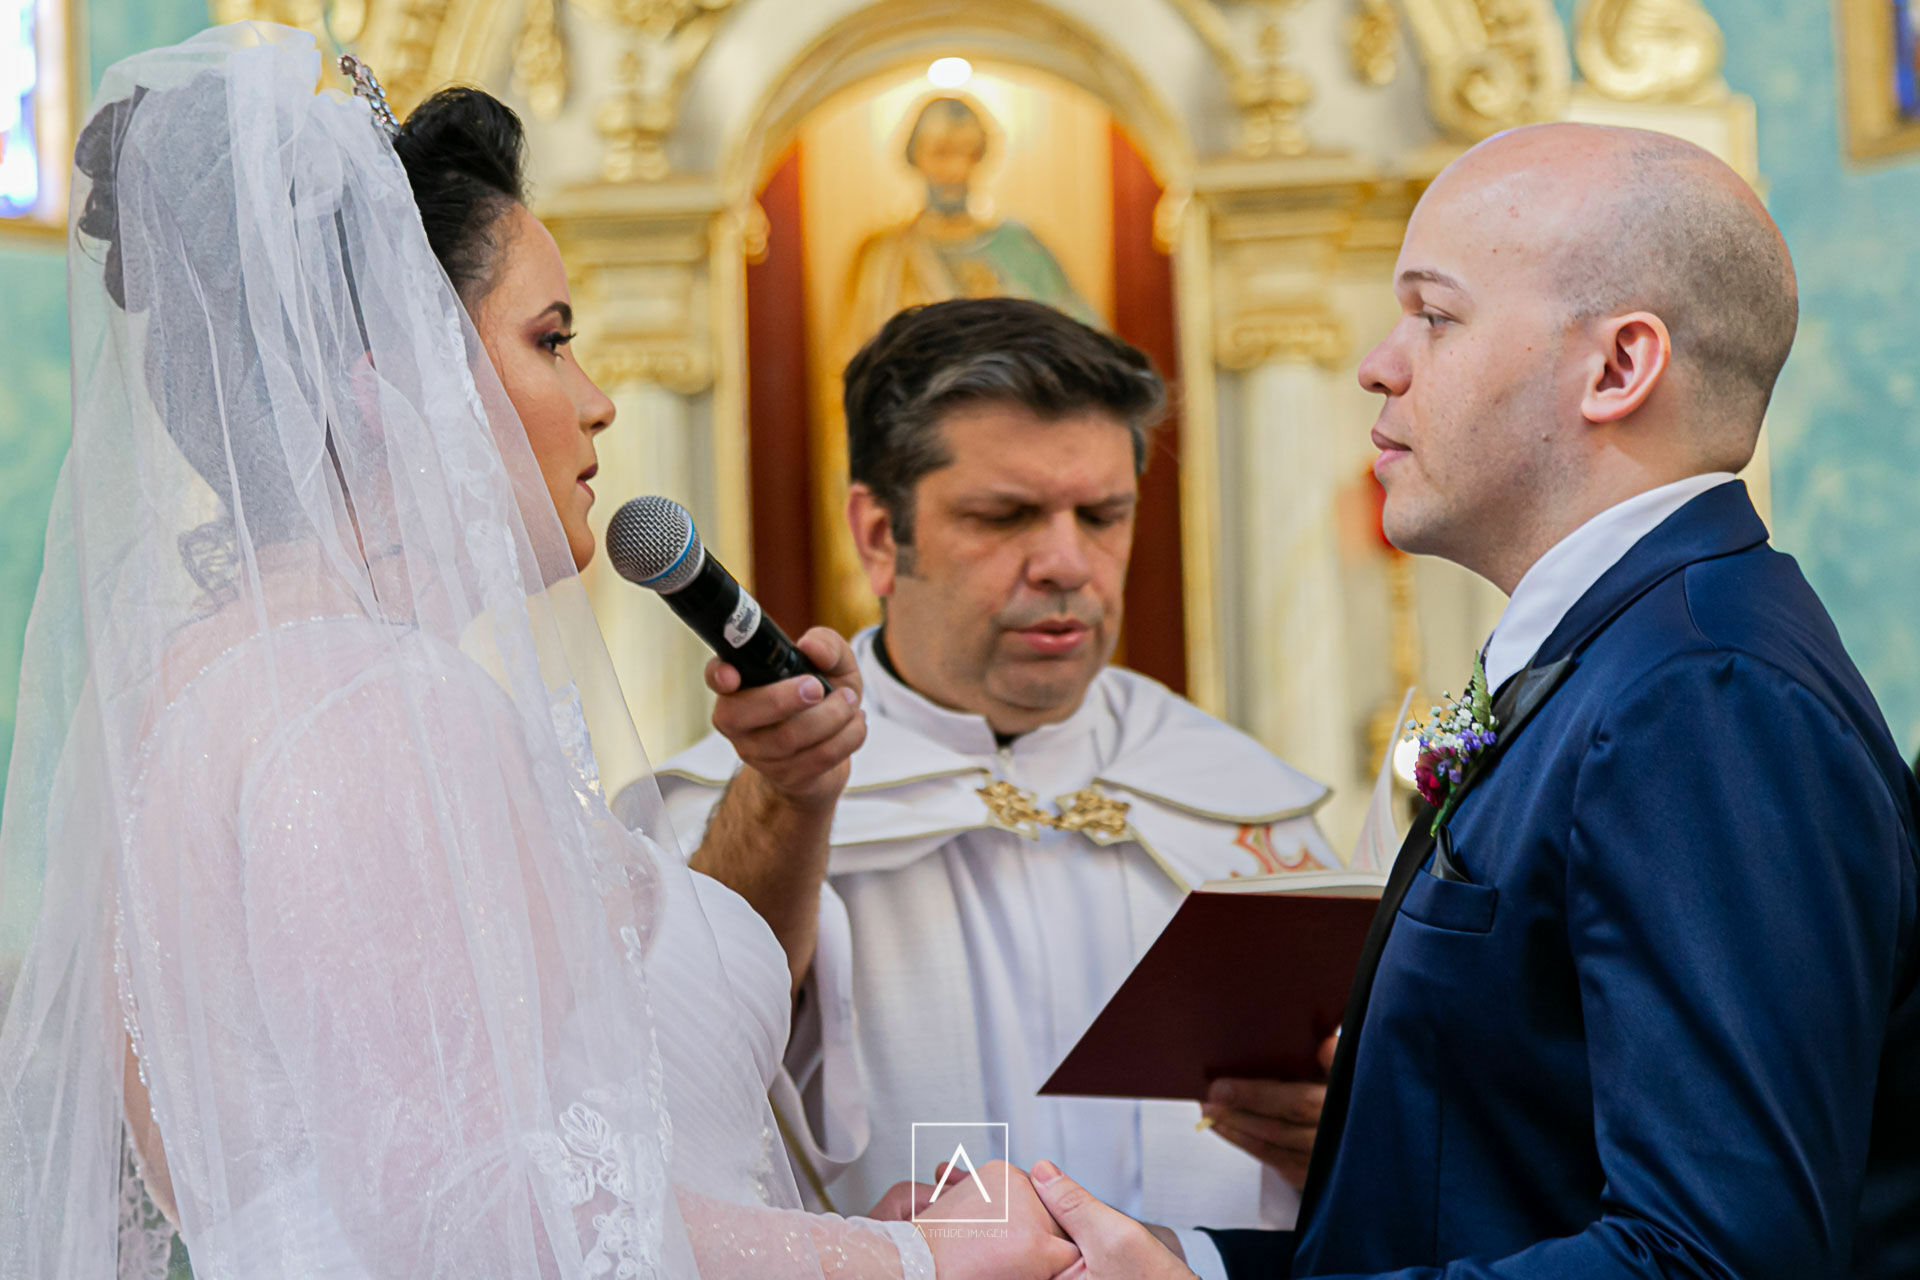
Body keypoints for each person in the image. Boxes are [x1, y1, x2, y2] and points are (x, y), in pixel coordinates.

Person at [0, 24, 1077, 1280]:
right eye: (551, 338)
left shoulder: (218, 691)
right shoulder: (368, 704)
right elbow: (503, 1237)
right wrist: (927, 1255)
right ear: (392, 380)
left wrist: (791, 796)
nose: (598, 397)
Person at [1016, 123, 1920, 1278]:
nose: (1378, 363)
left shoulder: (1706, 696)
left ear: (1617, 368)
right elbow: (1504, 1183)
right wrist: (1188, 1261)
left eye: (1434, 316)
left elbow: (1712, 1259)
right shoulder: (1624, 658)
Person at [659, 297, 1342, 1277]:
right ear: (881, 533)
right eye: (1005, 514)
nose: (1068, 562)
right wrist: (783, 798)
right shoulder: (737, 803)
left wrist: (1346, 1130)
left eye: (1104, 515)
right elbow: (673, 1089)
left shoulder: (1243, 804)